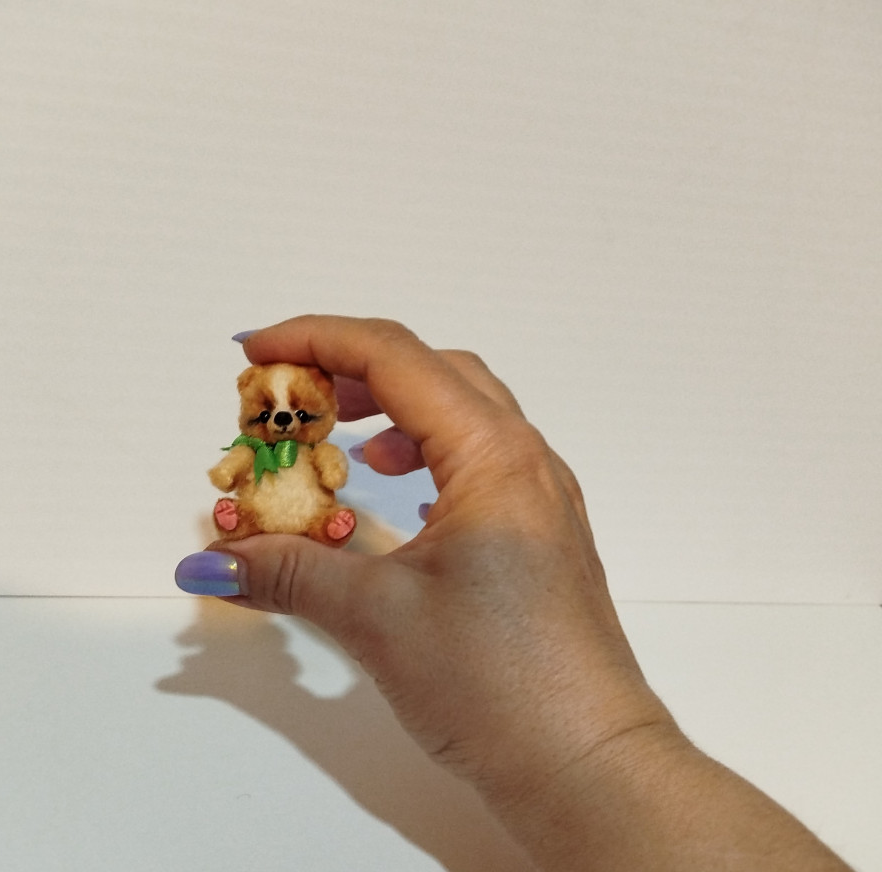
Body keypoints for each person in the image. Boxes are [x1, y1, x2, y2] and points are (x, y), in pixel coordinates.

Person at [176, 315, 852, 871]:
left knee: (321, 513)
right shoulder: (255, 450)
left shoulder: (316, 451)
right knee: (258, 509)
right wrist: (604, 749)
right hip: (264, 501)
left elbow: (330, 463)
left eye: (300, 411)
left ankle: (329, 525)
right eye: (271, 410)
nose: (285, 421)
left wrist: (584, 754)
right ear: (248, 397)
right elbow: (230, 464)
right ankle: (256, 520)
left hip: (312, 510)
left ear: (322, 405)